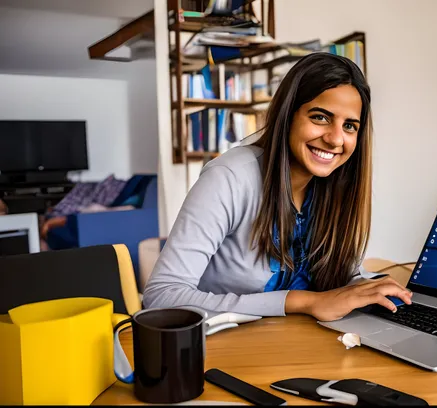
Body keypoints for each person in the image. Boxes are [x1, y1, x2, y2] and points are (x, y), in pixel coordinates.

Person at [143, 53, 412, 322]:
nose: (335, 139)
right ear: (288, 115)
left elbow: (339, 280)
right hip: (225, 350)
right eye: (320, 117)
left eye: (350, 126)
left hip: (305, 347)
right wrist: (304, 301)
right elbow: (162, 296)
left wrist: (365, 288)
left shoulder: (335, 185)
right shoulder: (230, 177)